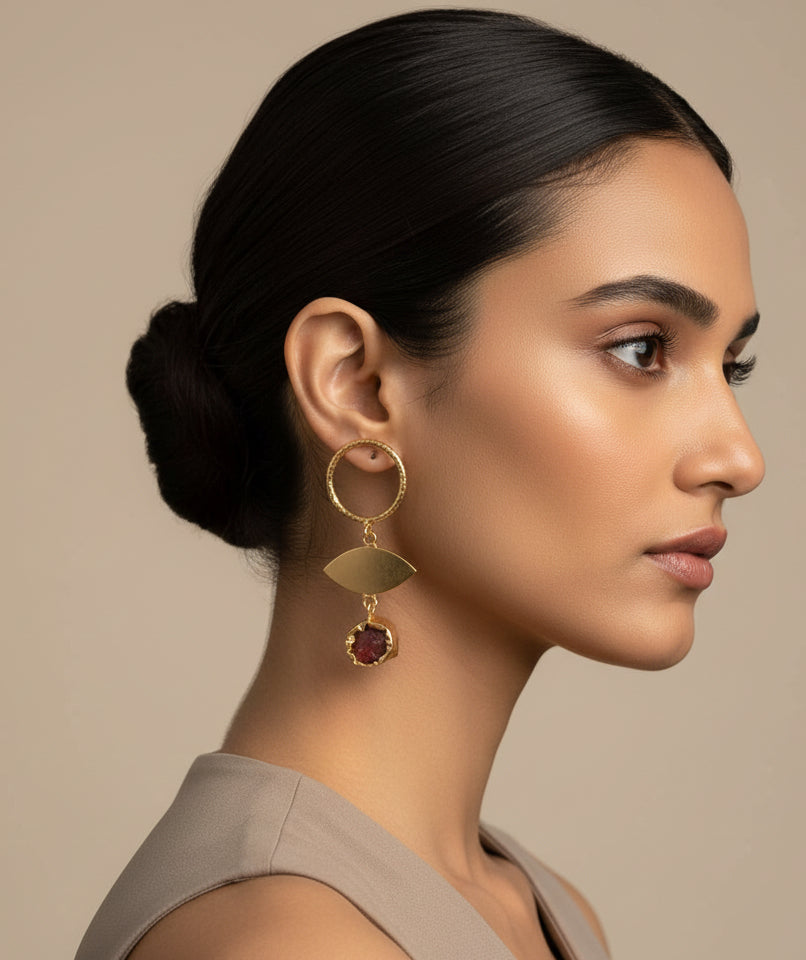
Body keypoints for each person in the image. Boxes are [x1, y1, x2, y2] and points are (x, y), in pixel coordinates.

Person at [75, 8, 765, 959]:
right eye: (642, 349)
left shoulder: (540, 907)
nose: (738, 457)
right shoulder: (285, 943)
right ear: (355, 385)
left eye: (732, 365)